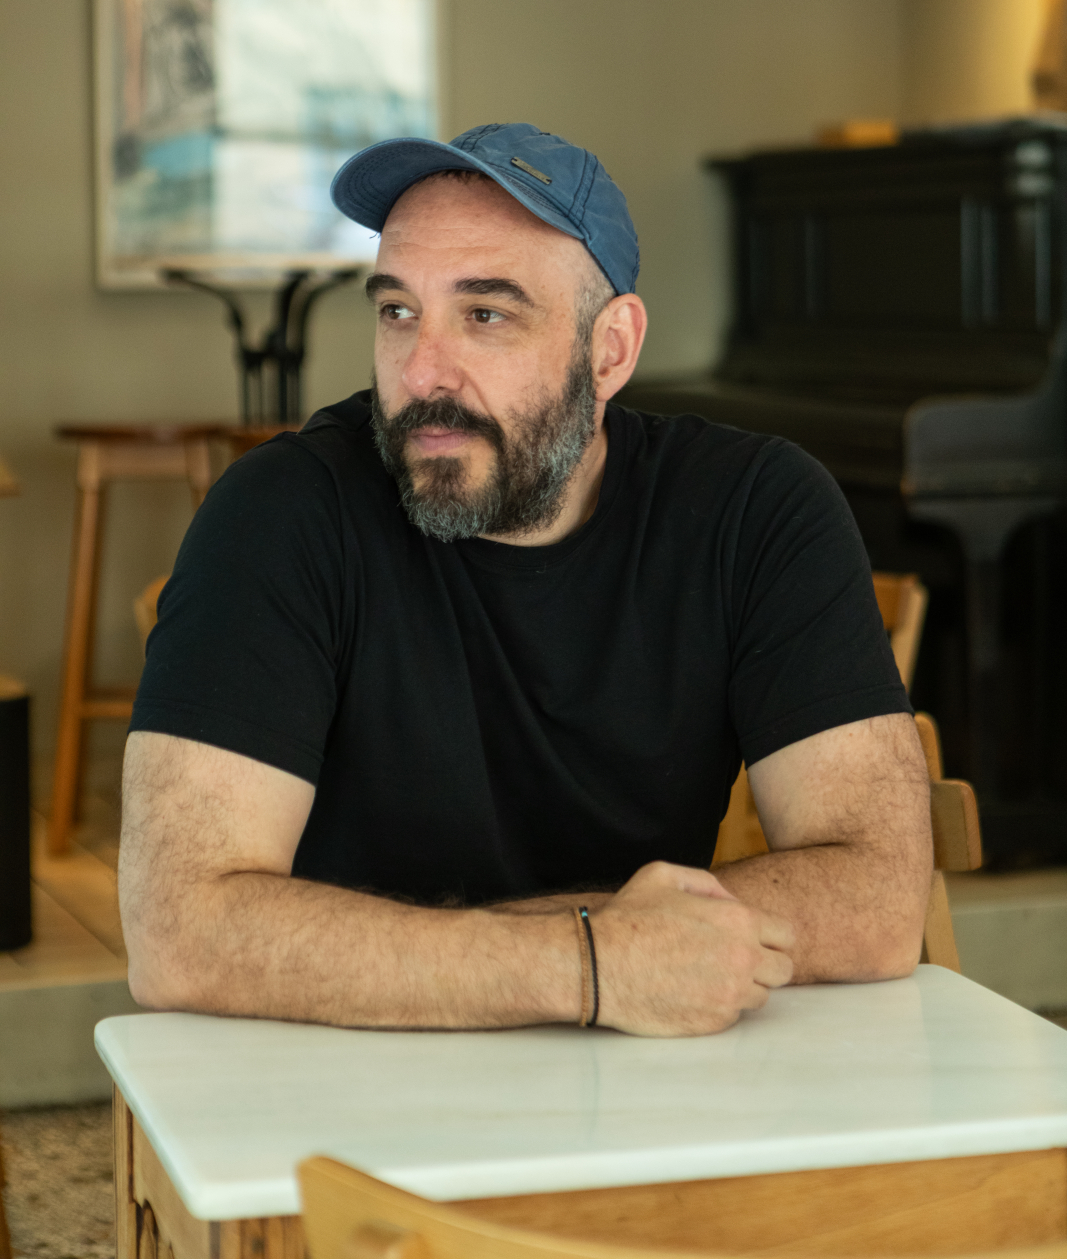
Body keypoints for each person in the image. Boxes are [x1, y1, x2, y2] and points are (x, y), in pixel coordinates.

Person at [119, 122, 932, 1038]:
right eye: (398, 312)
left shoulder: (754, 508)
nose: (421, 371)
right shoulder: (280, 513)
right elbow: (177, 931)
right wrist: (588, 962)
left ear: (610, 350)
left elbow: (877, 897)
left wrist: (537, 960)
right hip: (345, 1071)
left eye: (486, 315)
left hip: (650, 1072)